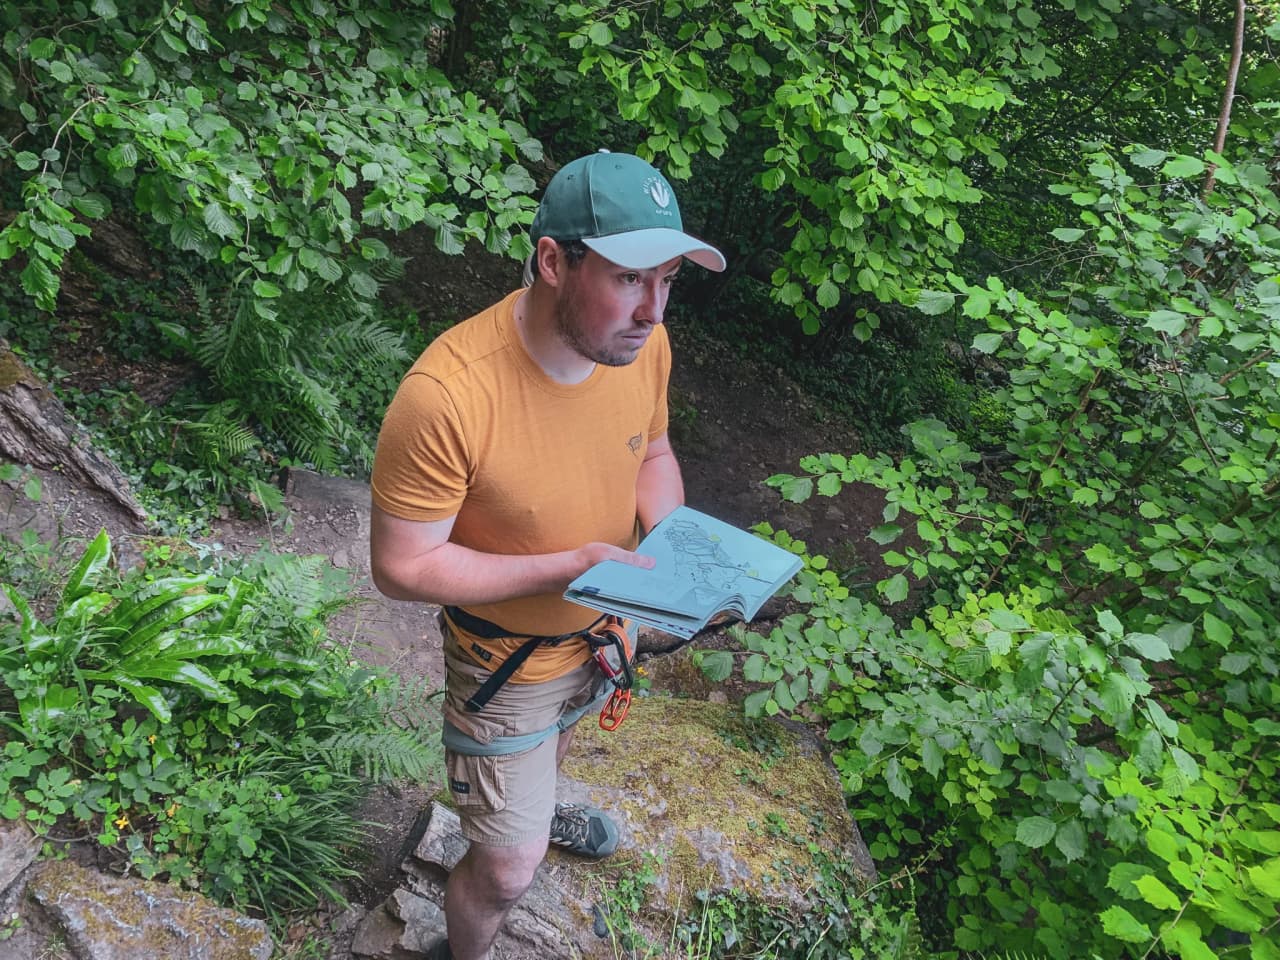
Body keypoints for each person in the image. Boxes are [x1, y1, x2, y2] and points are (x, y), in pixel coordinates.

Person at [368, 149, 726, 960]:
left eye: (668, 280)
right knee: (506, 872)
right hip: (505, 662)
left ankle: (534, 800)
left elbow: (654, 456)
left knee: (559, 736)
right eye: (631, 279)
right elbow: (401, 566)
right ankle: (477, 919)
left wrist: (674, 548)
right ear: (553, 261)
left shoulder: (641, 350)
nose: (653, 311)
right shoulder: (449, 394)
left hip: (603, 630)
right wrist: (566, 567)